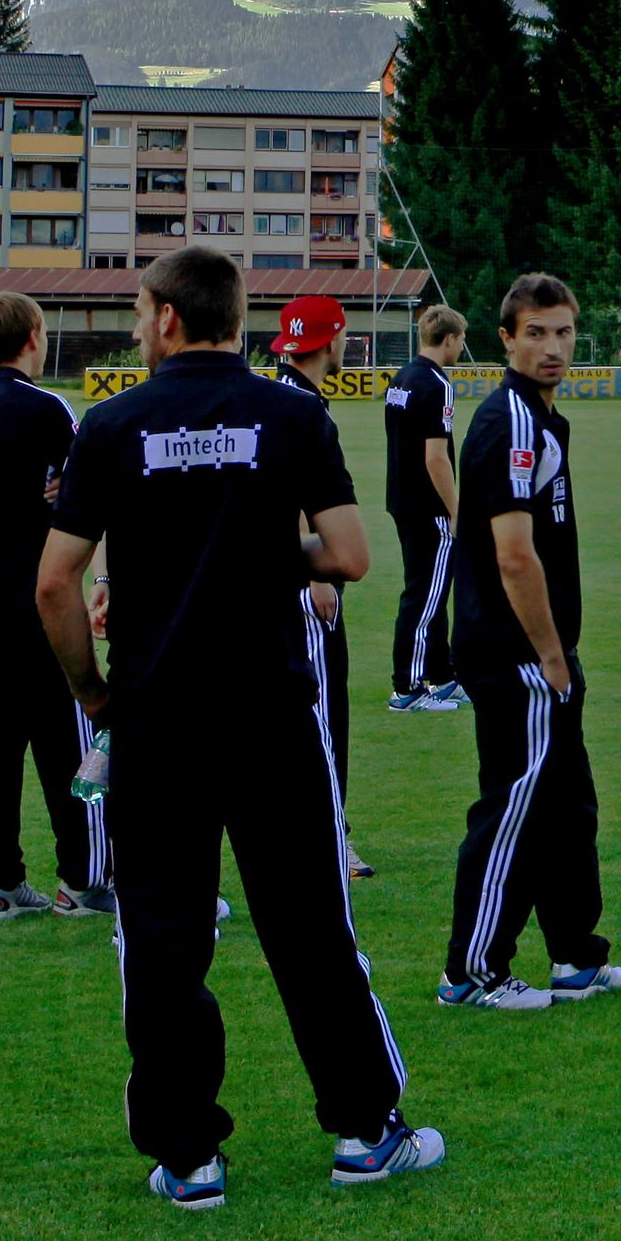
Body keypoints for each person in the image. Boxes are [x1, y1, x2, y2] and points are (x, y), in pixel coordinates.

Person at [37, 247, 439, 1208]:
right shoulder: (294, 414)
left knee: (164, 939)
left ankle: (187, 1155)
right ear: (235, 317)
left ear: (167, 320)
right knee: (310, 929)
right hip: (270, 719)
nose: (138, 326)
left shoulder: (111, 423)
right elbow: (348, 555)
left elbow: (54, 582)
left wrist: (93, 693)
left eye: (140, 312)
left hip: (158, 722)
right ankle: (366, 1131)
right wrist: (271, 544)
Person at [437, 272, 621, 1011]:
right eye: (537, 333)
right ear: (506, 339)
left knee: (568, 806)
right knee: (514, 807)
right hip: (516, 653)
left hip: (541, 651)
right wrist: (550, 655)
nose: (553, 347)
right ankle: (471, 971)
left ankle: (575, 955)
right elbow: (513, 554)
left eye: (564, 332)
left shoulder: (546, 419)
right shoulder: (509, 420)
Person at [0, 290, 97, 922]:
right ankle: (83, 879)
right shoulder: (44, 407)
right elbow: (87, 490)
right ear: (34, 336)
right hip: (40, 596)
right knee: (67, 741)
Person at [266, 293, 369, 876]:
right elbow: (296, 492)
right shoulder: (302, 407)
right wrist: (318, 577)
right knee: (323, 714)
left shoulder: (279, 394)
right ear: (332, 342)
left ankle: (313, 832)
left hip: (284, 581)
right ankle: (333, 837)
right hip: (306, 583)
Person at [382, 306, 470, 715]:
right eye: (461, 338)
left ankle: (445, 677)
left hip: (401, 499)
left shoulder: (402, 378)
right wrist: (455, 510)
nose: (462, 345)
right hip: (428, 506)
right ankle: (408, 688)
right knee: (425, 596)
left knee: (431, 592)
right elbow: (436, 457)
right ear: (449, 339)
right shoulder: (437, 384)